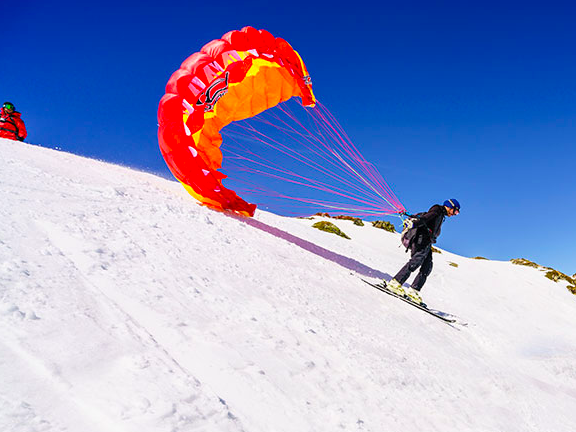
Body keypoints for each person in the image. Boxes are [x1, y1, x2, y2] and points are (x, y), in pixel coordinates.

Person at [386, 199, 461, 305]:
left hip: (427, 241)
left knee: (427, 266)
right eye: (455, 211)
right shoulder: (437, 210)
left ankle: (414, 290)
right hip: (421, 240)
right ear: (449, 206)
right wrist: (414, 224)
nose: (455, 214)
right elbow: (426, 218)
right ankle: (395, 283)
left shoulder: (441, 215)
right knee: (415, 262)